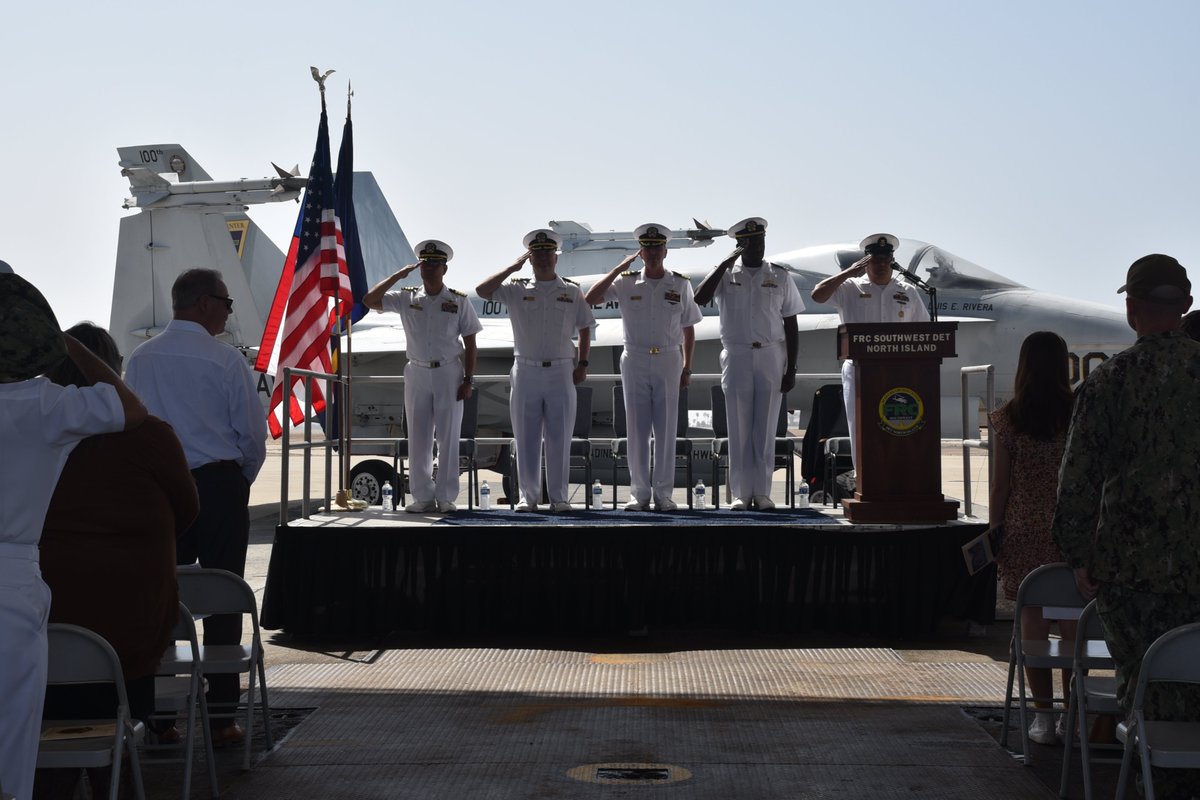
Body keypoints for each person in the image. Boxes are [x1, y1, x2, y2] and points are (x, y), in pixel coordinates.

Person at [1052, 254, 1200, 797]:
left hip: (1130, 577)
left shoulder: (1108, 383)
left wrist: (1077, 554)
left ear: (1132, 309)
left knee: (1144, 695)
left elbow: (1079, 481)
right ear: (1185, 307)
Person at [0, 273, 146, 800]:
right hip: (10, 583)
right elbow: (130, 409)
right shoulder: (44, 405)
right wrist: (67, 341)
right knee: (12, 743)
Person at [37, 322, 198, 797]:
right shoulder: (151, 436)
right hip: (133, 634)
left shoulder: (35, 434)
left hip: (44, 629)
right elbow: (187, 512)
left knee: (55, 717)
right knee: (121, 714)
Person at [124, 267, 267, 745]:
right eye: (226, 303)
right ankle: (222, 718)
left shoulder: (140, 360)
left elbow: (133, 428)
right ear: (205, 303)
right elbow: (250, 434)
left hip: (160, 489)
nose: (229, 311)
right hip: (217, 484)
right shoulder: (225, 362)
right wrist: (236, 482)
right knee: (225, 594)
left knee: (160, 598)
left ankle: (161, 719)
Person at [987, 331, 1077, 745]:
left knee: (1033, 624)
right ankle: (1073, 713)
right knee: (1076, 624)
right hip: (1072, 530)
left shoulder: (1008, 418)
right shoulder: (1080, 413)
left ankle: (1042, 717)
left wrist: (994, 529)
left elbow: (1000, 486)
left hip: (1024, 528)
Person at [585, 224, 702, 511]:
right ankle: (639, 494)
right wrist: (615, 269)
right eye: (647, 248)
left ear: (665, 251)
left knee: (665, 429)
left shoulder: (680, 284)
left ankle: (663, 495)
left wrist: (687, 367)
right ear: (641, 252)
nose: (652, 253)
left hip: (668, 359)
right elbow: (590, 299)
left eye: (656, 248)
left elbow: (689, 329)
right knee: (636, 429)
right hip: (635, 358)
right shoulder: (625, 282)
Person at [477, 229, 594, 512]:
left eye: (547, 252)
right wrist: (511, 267)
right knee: (526, 437)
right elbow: (482, 290)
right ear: (530, 258)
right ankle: (527, 497)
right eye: (537, 253)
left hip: (561, 370)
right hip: (526, 370)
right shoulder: (516, 288)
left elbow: (586, 327)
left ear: (556, 257)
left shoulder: (570, 290)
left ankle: (559, 497)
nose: (543, 258)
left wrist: (583, 364)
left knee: (560, 437)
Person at [363, 240, 483, 513]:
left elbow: (471, 342)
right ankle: (423, 496)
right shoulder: (406, 297)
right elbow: (369, 300)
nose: (428, 268)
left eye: (434, 264)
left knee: (449, 437)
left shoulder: (458, 300)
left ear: (445, 268)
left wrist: (468, 379)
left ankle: (446, 496)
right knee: (418, 436)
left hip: (448, 372)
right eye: (425, 263)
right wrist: (398, 275)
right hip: (416, 371)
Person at [694, 217, 803, 511]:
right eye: (750, 242)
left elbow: (791, 323)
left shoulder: (780, 276)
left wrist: (791, 368)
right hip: (737, 354)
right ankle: (742, 493)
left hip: (770, 354)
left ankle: (762, 492)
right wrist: (726, 261)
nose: (757, 247)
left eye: (760, 241)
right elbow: (699, 298)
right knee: (739, 426)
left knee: (766, 428)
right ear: (740, 245)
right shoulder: (727, 275)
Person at [809, 233, 931, 472]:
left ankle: (896, 476)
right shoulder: (849, 287)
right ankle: (865, 478)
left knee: (898, 425)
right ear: (866, 261)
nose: (881, 263)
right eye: (875, 259)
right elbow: (818, 295)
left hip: (898, 371)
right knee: (861, 426)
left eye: (886, 258)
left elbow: (923, 329)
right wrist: (848, 272)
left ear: (892, 260)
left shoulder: (907, 290)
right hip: (858, 370)